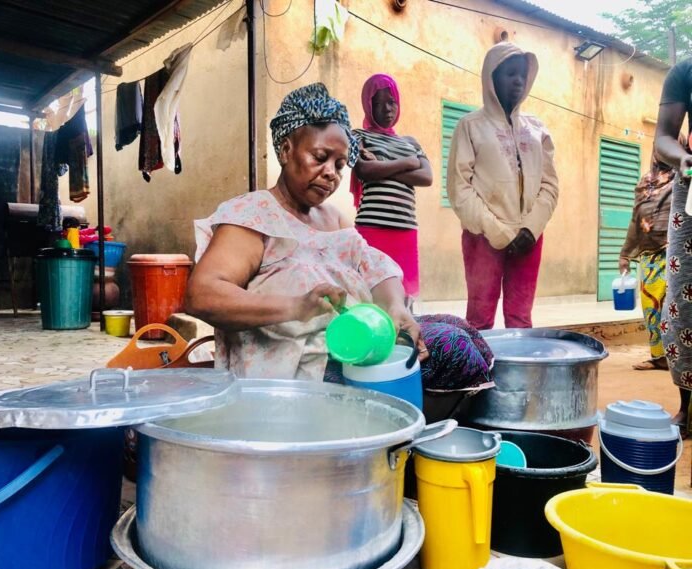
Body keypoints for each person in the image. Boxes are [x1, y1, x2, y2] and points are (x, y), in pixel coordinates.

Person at [184, 83, 426, 381]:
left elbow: (373, 266)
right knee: (446, 355)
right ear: (286, 151)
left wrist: (394, 308)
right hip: (298, 371)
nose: (331, 173)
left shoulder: (335, 220)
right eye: (320, 157)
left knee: (457, 342)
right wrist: (296, 307)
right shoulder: (255, 213)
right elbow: (203, 295)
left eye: (339, 165)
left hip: (360, 344)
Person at [447, 42, 558, 330]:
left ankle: (518, 376)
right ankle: (479, 375)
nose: (518, 80)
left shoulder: (537, 130)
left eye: (522, 74)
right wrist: (498, 231)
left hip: (529, 237)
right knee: (479, 319)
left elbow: (550, 185)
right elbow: (460, 188)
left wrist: (531, 228)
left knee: (520, 318)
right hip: (483, 235)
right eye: (510, 73)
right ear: (491, 77)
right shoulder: (470, 126)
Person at [351, 74, 433, 307]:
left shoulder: (412, 142)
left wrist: (382, 166)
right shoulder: (359, 136)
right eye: (377, 103)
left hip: (405, 229)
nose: (386, 109)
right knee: (370, 295)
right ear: (368, 105)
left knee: (404, 300)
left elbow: (427, 177)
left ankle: (403, 343)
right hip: (372, 228)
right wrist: (408, 163)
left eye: (391, 102)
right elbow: (364, 171)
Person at [619, 148, 686, 371]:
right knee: (651, 306)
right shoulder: (645, 182)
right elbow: (635, 218)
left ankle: (679, 357)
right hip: (648, 255)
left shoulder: (683, 176)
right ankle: (659, 357)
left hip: (675, 252)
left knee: (673, 306)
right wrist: (625, 254)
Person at [654, 56, 692, 431]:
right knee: (684, 302)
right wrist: (682, 157)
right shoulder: (686, 72)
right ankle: (687, 406)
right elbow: (664, 135)